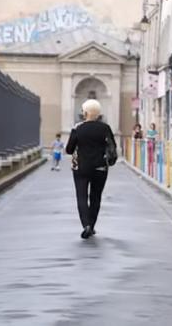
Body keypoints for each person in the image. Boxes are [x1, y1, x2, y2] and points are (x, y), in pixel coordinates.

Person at [65, 99, 116, 239]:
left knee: (81, 196)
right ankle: (92, 226)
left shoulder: (78, 128)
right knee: (96, 197)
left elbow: (69, 149)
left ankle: (86, 225)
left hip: (81, 167)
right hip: (100, 167)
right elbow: (112, 146)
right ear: (98, 113)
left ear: (85, 112)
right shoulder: (105, 128)